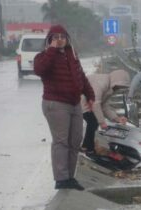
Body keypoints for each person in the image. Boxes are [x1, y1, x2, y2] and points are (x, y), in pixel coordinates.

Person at [34, 24, 95, 190]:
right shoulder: (44, 56)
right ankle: (61, 179)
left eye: (62, 37)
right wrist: (52, 50)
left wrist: (90, 95)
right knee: (61, 142)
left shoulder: (72, 55)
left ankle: (69, 177)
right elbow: (39, 70)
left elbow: (80, 76)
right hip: (56, 104)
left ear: (67, 39)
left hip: (74, 103)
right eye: (56, 37)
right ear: (50, 40)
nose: (60, 40)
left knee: (75, 140)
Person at [81, 69, 131, 156]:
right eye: (119, 86)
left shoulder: (109, 87)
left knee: (93, 122)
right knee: (93, 122)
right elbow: (96, 103)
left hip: (87, 102)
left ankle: (85, 146)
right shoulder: (102, 82)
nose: (119, 88)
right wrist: (102, 122)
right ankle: (89, 149)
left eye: (121, 87)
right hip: (78, 100)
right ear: (115, 80)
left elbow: (104, 106)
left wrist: (116, 118)